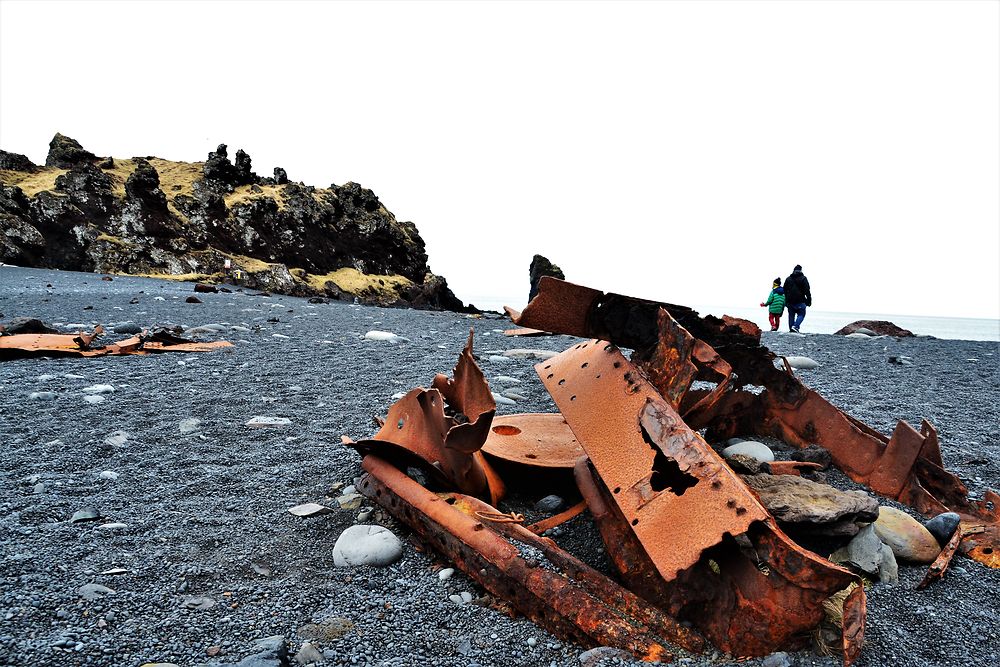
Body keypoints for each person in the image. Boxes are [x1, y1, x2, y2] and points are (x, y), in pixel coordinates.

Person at [783, 264, 812, 333]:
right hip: (800, 300)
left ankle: (791, 328)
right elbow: (807, 290)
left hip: (790, 301)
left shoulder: (788, 279)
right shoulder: (804, 278)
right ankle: (795, 326)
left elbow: (784, 290)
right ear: (801, 270)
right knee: (801, 314)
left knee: (791, 315)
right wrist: (809, 301)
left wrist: (786, 300)